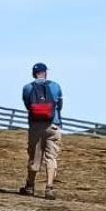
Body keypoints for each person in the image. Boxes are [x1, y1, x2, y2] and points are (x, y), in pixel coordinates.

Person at [19, 62, 63, 200]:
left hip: (36, 126)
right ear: (45, 73)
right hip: (53, 125)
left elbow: (28, 106)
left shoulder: (27, 88)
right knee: (51, 158)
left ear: (33, 73)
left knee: (34, 157)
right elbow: (59, 106)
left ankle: (30, 186)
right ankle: (49, 188)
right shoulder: (55, 86)